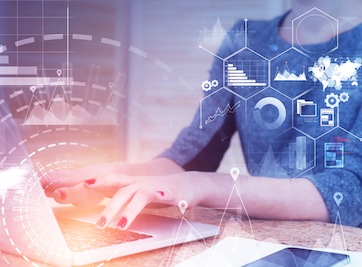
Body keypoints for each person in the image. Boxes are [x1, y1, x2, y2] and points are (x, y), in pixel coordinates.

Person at [45, 0, 362, 231]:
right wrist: (116, 177)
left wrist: (202, 186)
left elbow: (348, 191)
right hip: (261, 241)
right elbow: (194, 153)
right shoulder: (246, 40)